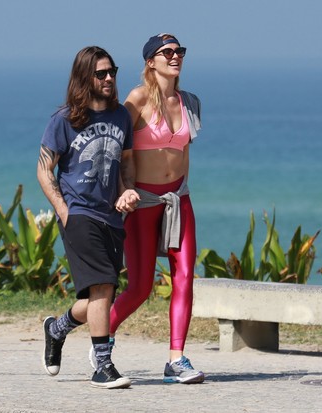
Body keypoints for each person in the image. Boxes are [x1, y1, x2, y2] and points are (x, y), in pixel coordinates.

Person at [102, 33, 205, 384]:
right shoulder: (138, 99)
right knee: (140, 288)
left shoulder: (189, 101)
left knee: (185, 276)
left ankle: (176, 359)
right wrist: (122, 191)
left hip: (178, 199)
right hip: (142, 201)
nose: (176, 57)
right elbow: (114, 147)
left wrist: (181, 189)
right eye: (167, 52)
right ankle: (104, 338)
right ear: (150, 61)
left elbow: (184, 153)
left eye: (180, 51)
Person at [37, 45, 139, 390]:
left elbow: (124, 164)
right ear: (85, 77)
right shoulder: (64, 120)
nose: (109, 78)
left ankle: (57, 328)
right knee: (103, 287)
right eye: (101, 73)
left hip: (110, 216)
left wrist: (126, 191)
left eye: (112, 72)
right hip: (78, 213)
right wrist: (65, 212)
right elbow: (43, 170)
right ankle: (103, 363)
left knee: (100, 297)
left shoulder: (121, 116)